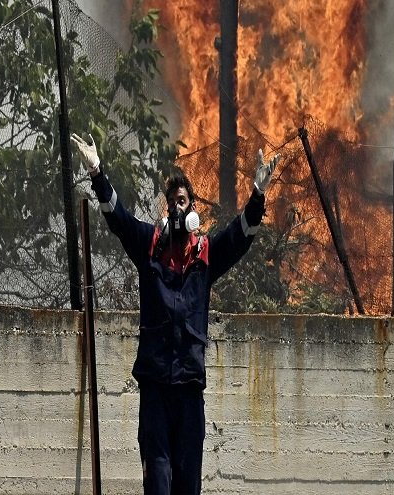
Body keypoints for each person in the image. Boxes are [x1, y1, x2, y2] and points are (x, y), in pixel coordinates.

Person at [71, 131, 279, 495]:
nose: (177, 207)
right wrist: (97, 172)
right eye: (172, 203)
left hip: (188, 391)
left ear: (193, 208)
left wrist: (258, 195)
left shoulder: (205, 255)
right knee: (159, 482)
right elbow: (117, 218)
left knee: (188, 484)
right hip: (154, 390)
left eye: (182, 200)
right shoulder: (150, 249)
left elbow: (240, 236)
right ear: (166, 211)